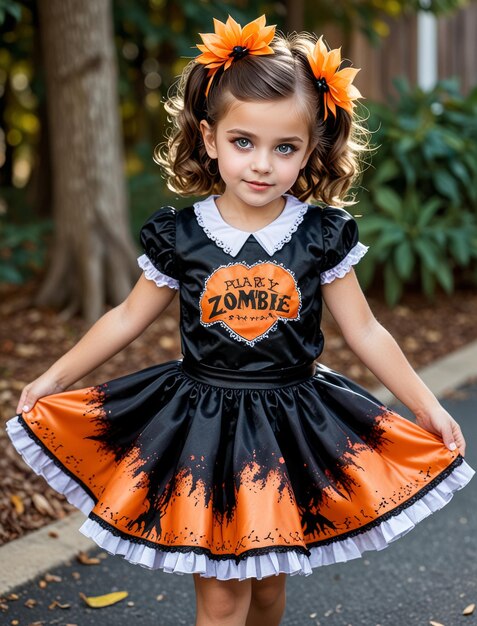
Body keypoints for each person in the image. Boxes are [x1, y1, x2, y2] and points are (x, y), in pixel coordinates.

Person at [6, 15, 474, 626]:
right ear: (209, 137)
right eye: (243, 142)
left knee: (269, 587)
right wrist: (53, 377)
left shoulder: (320, 234)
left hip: (290, 425)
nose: (261, 164)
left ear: (311, 150)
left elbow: (365, 331)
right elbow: (125, 318)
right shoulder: (181, 236)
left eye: (286, 148)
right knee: (223, 595)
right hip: (202, 427)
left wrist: (427, 405)